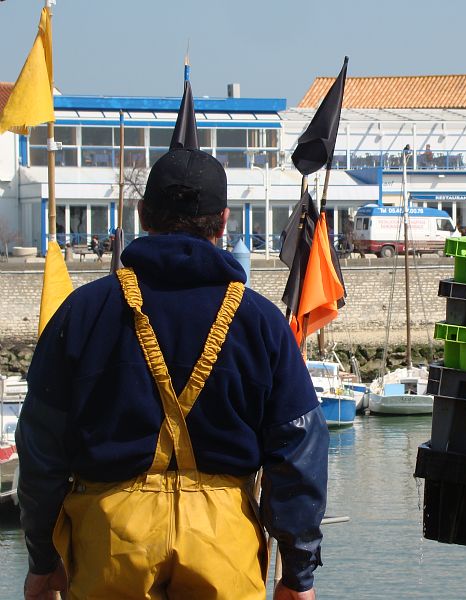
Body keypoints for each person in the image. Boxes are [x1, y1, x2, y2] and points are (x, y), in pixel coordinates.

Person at [17, 146, 327, 596]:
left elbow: (41, 449)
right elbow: (299, 452)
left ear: (143, 215)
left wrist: (43, 558)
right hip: (222, 543)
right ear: (223, 223)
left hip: (110, 539)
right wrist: (298, 573)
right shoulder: (261, 322)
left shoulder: (82, 313)